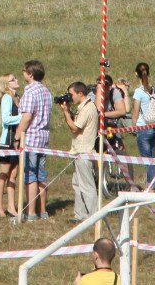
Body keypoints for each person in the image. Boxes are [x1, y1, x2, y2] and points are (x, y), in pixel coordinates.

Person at [18, 59, 51, 221]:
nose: (22, 74)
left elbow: (26, 117)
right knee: (41, 175)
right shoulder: (46, 91)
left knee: (30, 176)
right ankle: (43, 210)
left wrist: (17, 135)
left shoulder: (30, 92)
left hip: (31, 138)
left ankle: (31, 212)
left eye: (24, 71)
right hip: (44, 138)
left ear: (30, 74)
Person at [61, 81, 99, 222]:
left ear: (80, 93)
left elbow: (75, 128)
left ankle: (94, 216)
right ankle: (80, 215)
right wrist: (68, 111)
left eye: (71, 94)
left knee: (87, 186)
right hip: (78, 151)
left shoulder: (87, 108)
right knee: (77, 185)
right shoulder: (83, 107)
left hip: (84, 152)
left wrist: (66, 113)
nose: (70, 97)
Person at [130, 63, 155, 190]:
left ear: (136, 74)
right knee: (152, 159)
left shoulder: (138, 92)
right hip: (154, 127)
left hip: (143, 128)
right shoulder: (154, 89)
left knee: (148, 161)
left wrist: (133, 127)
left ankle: (151, 187)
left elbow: (135, 112)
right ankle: (152, 186)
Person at [0, 74, 22, 218]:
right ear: (6, 84)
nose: (16, 80)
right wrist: (24, 117)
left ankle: (11, 206)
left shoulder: (18, 97)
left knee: (14, 173)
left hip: (17, 141)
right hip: (7, 141)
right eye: (12, 79)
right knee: (4, 173)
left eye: (15, 78)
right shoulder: (7, 98)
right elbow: (6, 119)